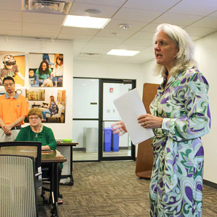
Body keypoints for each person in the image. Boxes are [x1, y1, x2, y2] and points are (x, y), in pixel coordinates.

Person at [112, 23, 211, 217]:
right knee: (159, 207)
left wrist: (161, 123)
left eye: (163, 43)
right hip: (162, 158)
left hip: (183, 160)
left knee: (178, 210)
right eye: (156, 43)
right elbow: (157, 120)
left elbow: (201, 124)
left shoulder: (192, 78)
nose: (156, 47)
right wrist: (132, 125)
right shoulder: (166, 81)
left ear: (179, 49)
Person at [15, 108, 63, 204]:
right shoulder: (24, 131)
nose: (33, 120)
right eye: (31, 118)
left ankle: (55, 195)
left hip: (47, 162)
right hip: (30, 162)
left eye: (36, 118)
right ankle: (29, 194)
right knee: (30, 169)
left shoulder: (47, 130)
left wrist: (41, 148)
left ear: (41, 119)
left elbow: (53, 144)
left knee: (57, 167)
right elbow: (16, 144)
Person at [0, 76, 29, 142]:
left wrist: (10, 126)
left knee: (17, 150)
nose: (9, 87)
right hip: (2, 130)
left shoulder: (22, 99)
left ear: (14, 84)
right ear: (4, 86)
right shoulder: (0, 99)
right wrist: (4, 127)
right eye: (6, 85)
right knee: (2, 151)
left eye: (10, 84)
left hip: (16, 130)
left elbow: (23, 116)